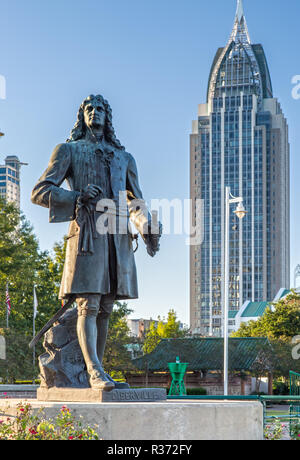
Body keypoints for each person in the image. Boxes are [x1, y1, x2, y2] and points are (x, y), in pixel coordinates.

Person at [31, 94, 161, 391]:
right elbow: (40, 191)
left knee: (105, 306)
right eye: (88, 109)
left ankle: (99, 372)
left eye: (100, 108)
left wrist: (146, 227)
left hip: (117, 236)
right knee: (88, 304)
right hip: (87, 231)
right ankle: (94, 371)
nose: (94, 113)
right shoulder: (68, 150)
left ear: (108, 116)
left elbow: (135, 202)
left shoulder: (124, 158)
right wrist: (76, 197)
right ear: (82, 116)